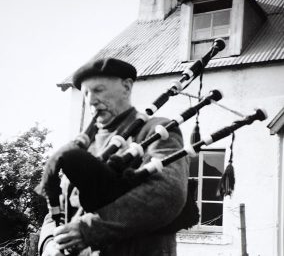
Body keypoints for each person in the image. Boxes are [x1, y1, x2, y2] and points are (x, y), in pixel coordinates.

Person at [38, 58, 190, 256]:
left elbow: (167, 192)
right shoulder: (82, 146)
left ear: (126, 87)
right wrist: (51, 243)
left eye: (98, 90)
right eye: (85, 93)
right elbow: (57, 207)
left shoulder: (154, 130)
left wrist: (88, 230)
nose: (91, 100)